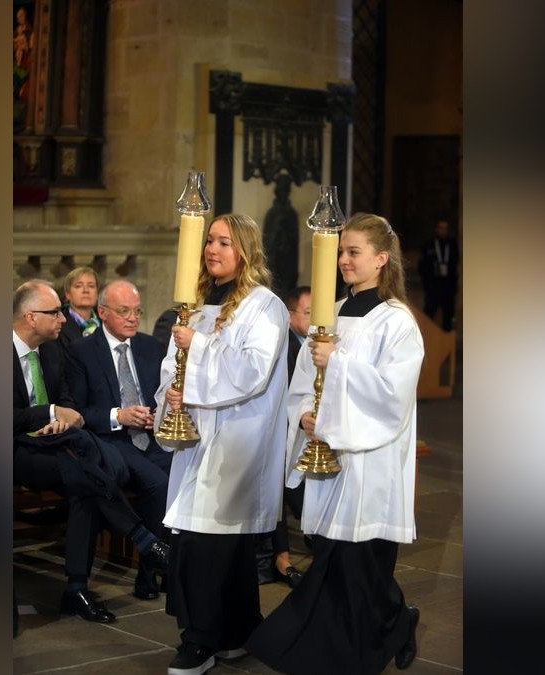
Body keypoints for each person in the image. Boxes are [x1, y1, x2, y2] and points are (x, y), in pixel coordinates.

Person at [246, 213, 425, 674]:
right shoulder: (333, 313)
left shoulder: (397, 322)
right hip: (329, 452)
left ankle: (369, 644)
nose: (343, 260)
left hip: (371, 460)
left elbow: (393, 396)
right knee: (337, 560)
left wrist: (339, 361)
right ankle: (387, 627)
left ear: (381, 259)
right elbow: (304, 381)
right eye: (341, 252)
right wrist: (305, 413)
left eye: (353, 252)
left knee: (361, 563)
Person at [155, 214, 290, 675]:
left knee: (207, 543)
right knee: (222, 544)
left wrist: (198, 348)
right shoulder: (192, 304)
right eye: (209, 240)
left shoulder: (264, 305)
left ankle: (199, 640)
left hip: (237, 439)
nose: (212, 249)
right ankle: (238, 632)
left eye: (224, 242)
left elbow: (253, 371)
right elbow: (172, 364)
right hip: (197, 435)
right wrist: (172, 392)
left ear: (246, 251)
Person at [12, 279, 170, 624]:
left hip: (59, 445)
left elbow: (69, 401)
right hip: (14, 450)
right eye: (54, 312)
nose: (63, 319)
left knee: (84, 481)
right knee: (86, 464)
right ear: (29, 317)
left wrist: (63, 416)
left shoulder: (53, 350)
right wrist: (51, 413)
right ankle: (143, 539)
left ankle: (77, 588)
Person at [66, 279, 171, 600]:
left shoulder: (151, 347)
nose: (133, 318)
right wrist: (118, 415)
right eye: (123, 311)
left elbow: (163, 394)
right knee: (157, 482)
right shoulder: (82, 352)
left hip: (152, 436)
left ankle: (175, 563)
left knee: (185, 469)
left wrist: (160, 411)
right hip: (110, 441)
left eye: (137, 311)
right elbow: (79, 411)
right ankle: (150, 568)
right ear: (103, 313)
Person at [258, 286, 312, 588]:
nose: (315, 318)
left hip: (308, 429)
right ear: (290, 316)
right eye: (307, 312)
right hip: (281, 429)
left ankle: (318, 536)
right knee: (281, 473)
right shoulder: (287, 345)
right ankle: (282, 557)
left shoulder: (318, 343)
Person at [418, 217, 460, 331]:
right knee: (429, 314)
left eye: (445, 228)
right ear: (437, 229)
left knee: (448, 315)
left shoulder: (451, 244)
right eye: (441, 228)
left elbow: (455, 263)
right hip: (433, 285)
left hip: (448, 286)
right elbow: (422, 266)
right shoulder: (429, 244)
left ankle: (447, 344)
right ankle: (427, 341)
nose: (443, 231)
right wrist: (427, 283)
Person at [59, 266, 102, 347]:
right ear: (68, 294)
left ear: (97, 294)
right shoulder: (57, 324)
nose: (86, 290)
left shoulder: (107, 322)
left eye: (91, 286)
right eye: (78, 286)